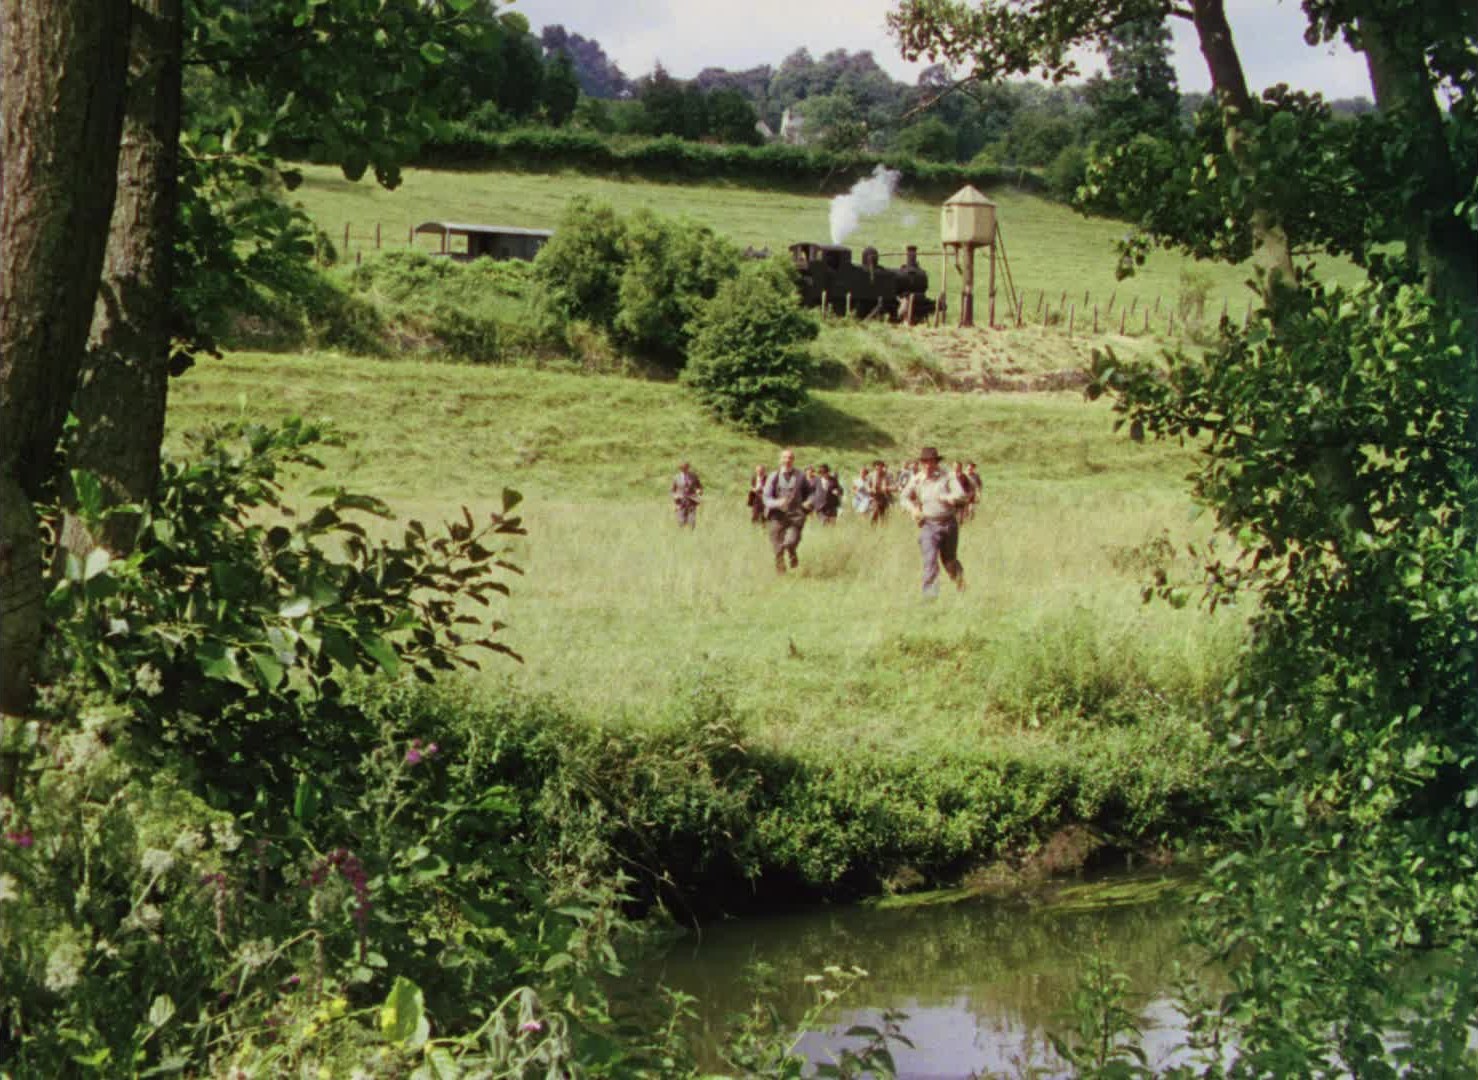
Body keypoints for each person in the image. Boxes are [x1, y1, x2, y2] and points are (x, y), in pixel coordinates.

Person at [901, 446, 971, 597]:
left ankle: (960, 584)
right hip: (929, 524)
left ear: (936, 462)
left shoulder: (947, 476)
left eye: (931, 461)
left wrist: (947, 497)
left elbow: (961, 495)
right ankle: (930, 596)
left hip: (949, 523)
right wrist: (913, 509)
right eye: (925, 462)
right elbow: (903, 497)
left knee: (949, 561)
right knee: (930, 559)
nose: (928, 465)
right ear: (921, 463)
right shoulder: (917, 479)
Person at [761, 448, 812, 573]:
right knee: (776, 543)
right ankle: (780, 569)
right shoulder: (774, 476)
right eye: (785, 457)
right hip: (777, 515)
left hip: (795, 515)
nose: (787, 460)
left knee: (791, 541)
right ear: (780, 460)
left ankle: (792, 551)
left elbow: (810, 493)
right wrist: (777, 503)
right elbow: (766, 497)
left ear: (793, 460)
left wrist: (809, 502)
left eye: (790, 458)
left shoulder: (800, 476)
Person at [670, 461, 703, 528]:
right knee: (681, 521)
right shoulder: (676, 477)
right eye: (682, 468)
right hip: (680, 502)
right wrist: (675, 496)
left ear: (688, 467)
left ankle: (691, 533)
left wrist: (699, 491)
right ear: (680, 468)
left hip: (691, 501)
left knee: (692, 522)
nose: (684, 469)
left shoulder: (694, 476)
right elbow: (672, 491)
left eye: (685, 468)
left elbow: (699, 487)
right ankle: (682, 533)